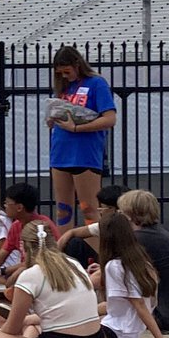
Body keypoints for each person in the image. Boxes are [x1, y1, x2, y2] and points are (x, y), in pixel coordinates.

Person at [0, 222, 105, 338]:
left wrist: (0, 334)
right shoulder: (74, 264)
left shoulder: (29, 276)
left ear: (23, 246)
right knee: (33, 327)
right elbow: (64, 310)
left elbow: (11, 329)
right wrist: (29, 320)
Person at [47, 46, 116, 230]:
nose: (64, 76)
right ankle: (64, 254)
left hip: (85, 153)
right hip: (60, 152)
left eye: (67, 71)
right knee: (63, 210)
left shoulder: (96, 83)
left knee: (89, 209)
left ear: (77, 65)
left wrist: (77, 128)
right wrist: (53, 118)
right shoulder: (65, 86)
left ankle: (97, 253)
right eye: (59, 73)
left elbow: (110, 118)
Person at [97, 212, 169, 338]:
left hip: (117, 333)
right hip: (128, 335)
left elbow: (139, 305)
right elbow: (133, 304)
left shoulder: (114, 266)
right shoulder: (141, 262)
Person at [118, 189, 169, 332]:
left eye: (121, 211)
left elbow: (111, 271)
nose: (119, 215)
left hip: (162, 315)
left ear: (131, 214)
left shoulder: (141, 238)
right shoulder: (156, 234)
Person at [0, 182, 58, 287]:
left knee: (19, 274)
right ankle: (5, 288)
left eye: (7, 203)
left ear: (19, 207)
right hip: (20, 269)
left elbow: (37, 262)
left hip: (41, 270)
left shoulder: (42, 226)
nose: (5, 206)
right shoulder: (16, 225)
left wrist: (0, 271)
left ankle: (8, 289)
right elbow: (1, 255)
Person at [58, 184, 125, 267]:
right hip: (107, 267)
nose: (100, 212)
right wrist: (56, 256)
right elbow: (72, 232)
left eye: (102, 208)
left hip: (123, 268)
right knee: (75, 244)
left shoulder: (134, 230)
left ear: (115, 210)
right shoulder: (105, 226)